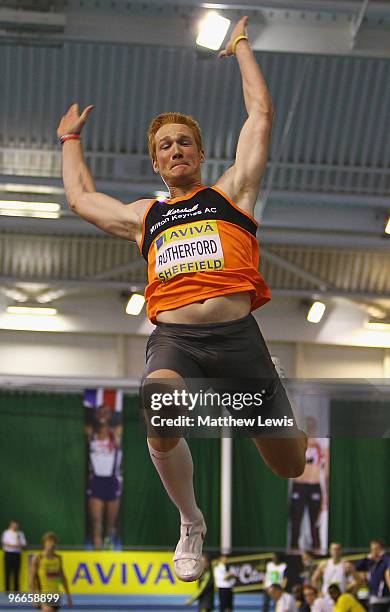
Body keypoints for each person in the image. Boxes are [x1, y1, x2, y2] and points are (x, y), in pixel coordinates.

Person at [57, 15, 307, 582]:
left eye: (184, 142)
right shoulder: (148, 216)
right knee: (159, 406)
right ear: (156, 162)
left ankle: (276, 408)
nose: (176, 150)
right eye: (165, 145)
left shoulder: (231, 193)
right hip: (177, 339)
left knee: (289, 466)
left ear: (198, 152)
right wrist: (70, 140)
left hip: (240, 341)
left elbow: (260, 115)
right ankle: (191, 520)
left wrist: (240, 45)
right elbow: (81, 199)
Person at [85, 404, 123, 549]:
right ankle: (97, 552)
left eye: (106, 412)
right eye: (100, 412)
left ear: (111, 416)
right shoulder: (91, 433)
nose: (102, 415)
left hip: (112, 480)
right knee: (96, 523)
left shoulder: (116, 433)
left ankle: (109, 541)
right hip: (96, 480)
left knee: (110, 524)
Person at [289, 417, 328, 553]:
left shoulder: (320, 447)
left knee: (314, 522)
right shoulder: (297, 444)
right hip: (299, 486)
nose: (310, 429)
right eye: (308, 426)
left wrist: (325, 496)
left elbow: (326, 471)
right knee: (296, 521)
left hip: (314, 486)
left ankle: (317, 550)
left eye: (312, 426)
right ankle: (294, 550)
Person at [30, 532, 72, 611]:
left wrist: (68, 596)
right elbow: (31, 579)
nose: (51, 544)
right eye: (49, 541)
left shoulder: (58, 558)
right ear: (44, 543)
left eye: (53, 542)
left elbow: (63, 578)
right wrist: (34, 597)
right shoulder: (38, 558)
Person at [356, 539, 390, 612]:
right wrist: (366, 558)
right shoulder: (371, 562)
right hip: (372, 597)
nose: (373, 551)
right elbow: (358, 566)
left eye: (375, 548)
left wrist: (383, 555)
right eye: (372, 549)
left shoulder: (385, 560)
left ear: (380, 549)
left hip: (382, 598)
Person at [1, 520, 26, 592]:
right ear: (11, 525)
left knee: (16, 572)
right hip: (8, 554)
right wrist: (15, 546)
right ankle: (7, 590)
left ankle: (16, 590)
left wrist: (18, 543)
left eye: (16, 525)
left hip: (17, 554)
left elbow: (23, 544)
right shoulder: (6, 533)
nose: (15, 526)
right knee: (7, 572)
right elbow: (5, 543)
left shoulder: (20, 534)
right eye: (13, 525)